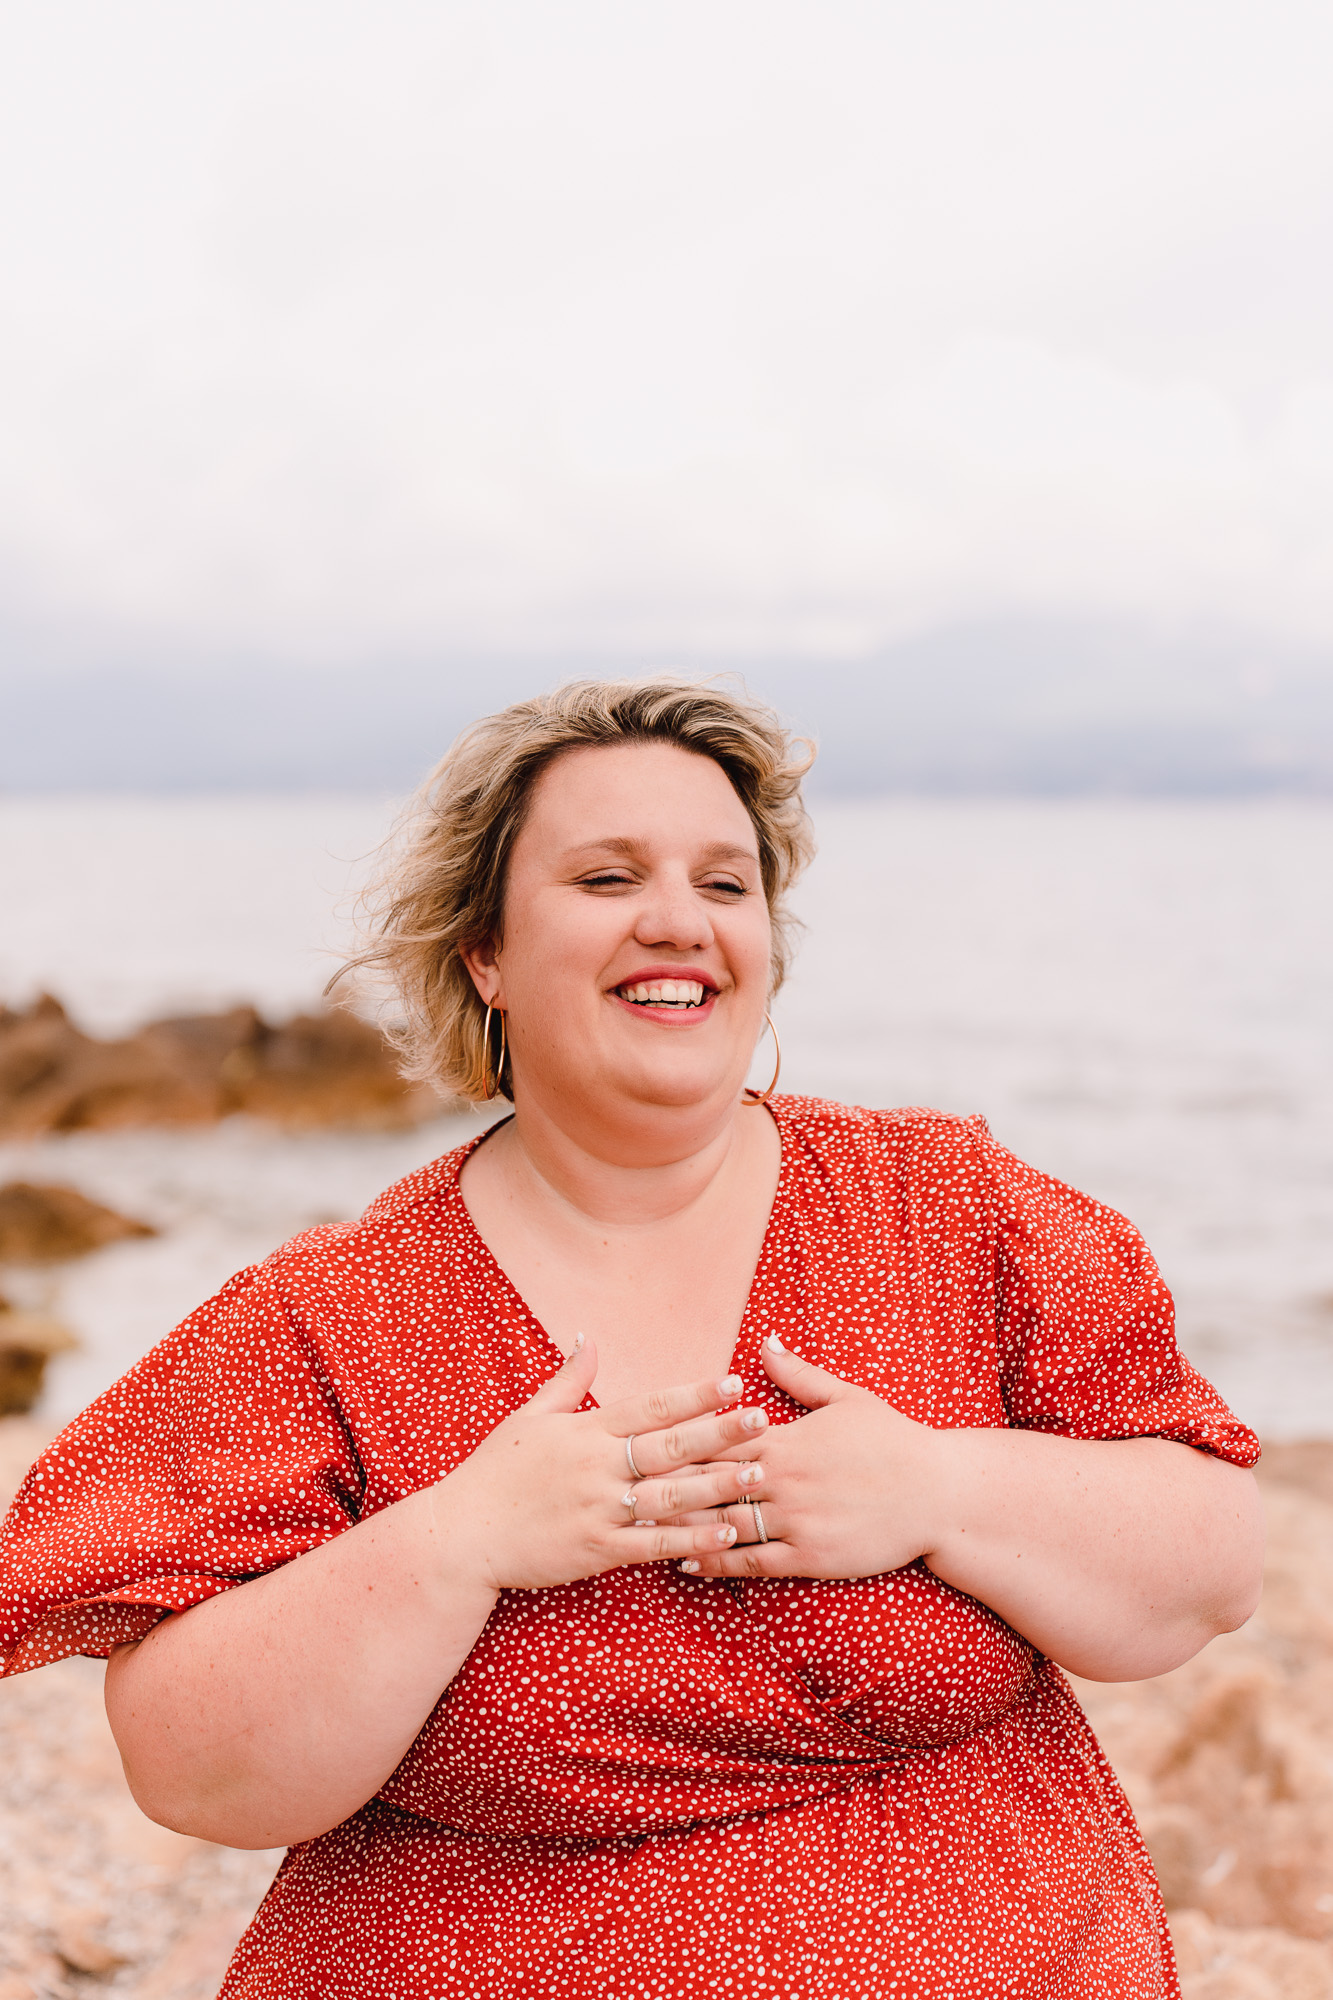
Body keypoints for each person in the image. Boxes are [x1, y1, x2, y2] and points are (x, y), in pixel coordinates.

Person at [0, 678, 1262, 2000]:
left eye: (725, 885)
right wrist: (457, 1543)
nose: (679, 921)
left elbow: (1215, 1563)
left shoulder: (948, 1208)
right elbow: (188, 1769)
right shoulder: (328, 1313)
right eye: (607, 877)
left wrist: (943, 1487)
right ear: (484, 952)